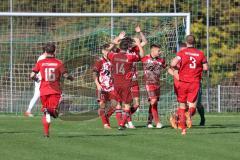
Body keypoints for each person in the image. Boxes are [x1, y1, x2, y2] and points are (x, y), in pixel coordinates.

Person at [30, 42, 73, 137]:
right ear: (54, 51)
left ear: (45, 52)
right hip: (55, 91)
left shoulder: (40, 63)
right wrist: (71, 78)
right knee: (54, 112)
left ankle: (46, 133)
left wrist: (36, 79)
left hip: (43, 90)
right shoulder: (59, 62)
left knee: (47, 112)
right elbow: (65, 75)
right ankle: (51, 111)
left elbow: (32, 75)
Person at [170, 35, 208, 135]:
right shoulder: (200, 53)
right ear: (194, 42)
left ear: (186, 42)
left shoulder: (182, 52)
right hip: (195, 82)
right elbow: (205, 68)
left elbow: (173, 64)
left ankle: (183, 129)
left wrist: (179, 69)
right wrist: (196, 70)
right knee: (192, 105)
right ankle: (187, 116)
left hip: (183, 82)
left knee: (182, 106)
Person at [107, 34, 144, 130]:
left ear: (120, 46)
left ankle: (123, 122)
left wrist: (115, 42)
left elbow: (106, 52)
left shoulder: (114, 56)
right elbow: (141, 55)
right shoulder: (130, 57)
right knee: (127, 104)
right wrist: (139, 44)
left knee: (119, 104)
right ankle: (122, 124)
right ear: (128, 47)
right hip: (126, 84)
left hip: (116, 84)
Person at [125, 25, 148, 128]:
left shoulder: (135, 49)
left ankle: (125, 117)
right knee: (127, 103)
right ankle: (129, 122)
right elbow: (116, 44)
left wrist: (140, 32)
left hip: (134, 79)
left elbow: (145, 42)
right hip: (125, 80)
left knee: (137, 104)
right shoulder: (123, 51)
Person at [141, 44, 166, 128]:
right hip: (149, 83)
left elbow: (166, 67)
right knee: (153, 101)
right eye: (158, 51)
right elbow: (139, 56)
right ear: (153, 51)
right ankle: (157, 122)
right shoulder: (145, 58)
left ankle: (149, 122)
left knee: (153, 103)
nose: (160, 52)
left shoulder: (161, 60)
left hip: (157, 84)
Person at [93, 43, 116, 129]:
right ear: (103, 51)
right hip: (102, 87)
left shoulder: (113, 60)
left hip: (112, 86)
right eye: (106, 50)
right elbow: (94, 74)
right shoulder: (100, 62)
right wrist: (98, 84)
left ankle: (105, 117)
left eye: (109, 50)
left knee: (115, 105)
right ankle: (105, 124)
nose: (108, 52)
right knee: (102, 104)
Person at [25, 47, 47, 117]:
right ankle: (28, 111)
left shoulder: (45, 57)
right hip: (40, 79)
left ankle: (46, 109)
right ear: (46, 51)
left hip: (44, 79)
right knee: (37, 95)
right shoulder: (42, 57)